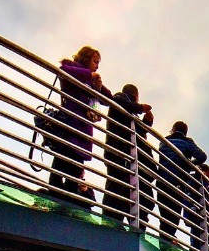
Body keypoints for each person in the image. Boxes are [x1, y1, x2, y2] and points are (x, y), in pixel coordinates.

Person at [44, 46, 109, 208]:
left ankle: (67, 203)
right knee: (61, 163)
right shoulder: (73, 69)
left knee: (75, 169)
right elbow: (63, 70)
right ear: (86, 58)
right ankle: (56, 199)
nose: (97, 66)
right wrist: (89, 75)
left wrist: (99, 87)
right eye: (95, 61)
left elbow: (108, 99)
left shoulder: (92, 81)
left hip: (82, 132)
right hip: (70, 126)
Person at [100, 83, 154, 225]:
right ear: (135, 96)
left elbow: (138, 133)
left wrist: (147, 122)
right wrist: (141, 108)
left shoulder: (129, 112)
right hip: (118, 152)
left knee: (121, 187)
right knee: (116, 185)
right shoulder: (120, 98)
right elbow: (119, 102)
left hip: (122, 153)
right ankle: (109, 220)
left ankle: (115, 220)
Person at [157, 121, 208, 244]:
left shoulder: (163, 142)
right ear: (185, 132)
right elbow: (202, 157)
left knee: (164, 216)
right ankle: (167, 244)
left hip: (162, 181)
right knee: (174, 216)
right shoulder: (187, 142)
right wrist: (189, 165)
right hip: (178, 182)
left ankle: (164, 241)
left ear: (173, 129)